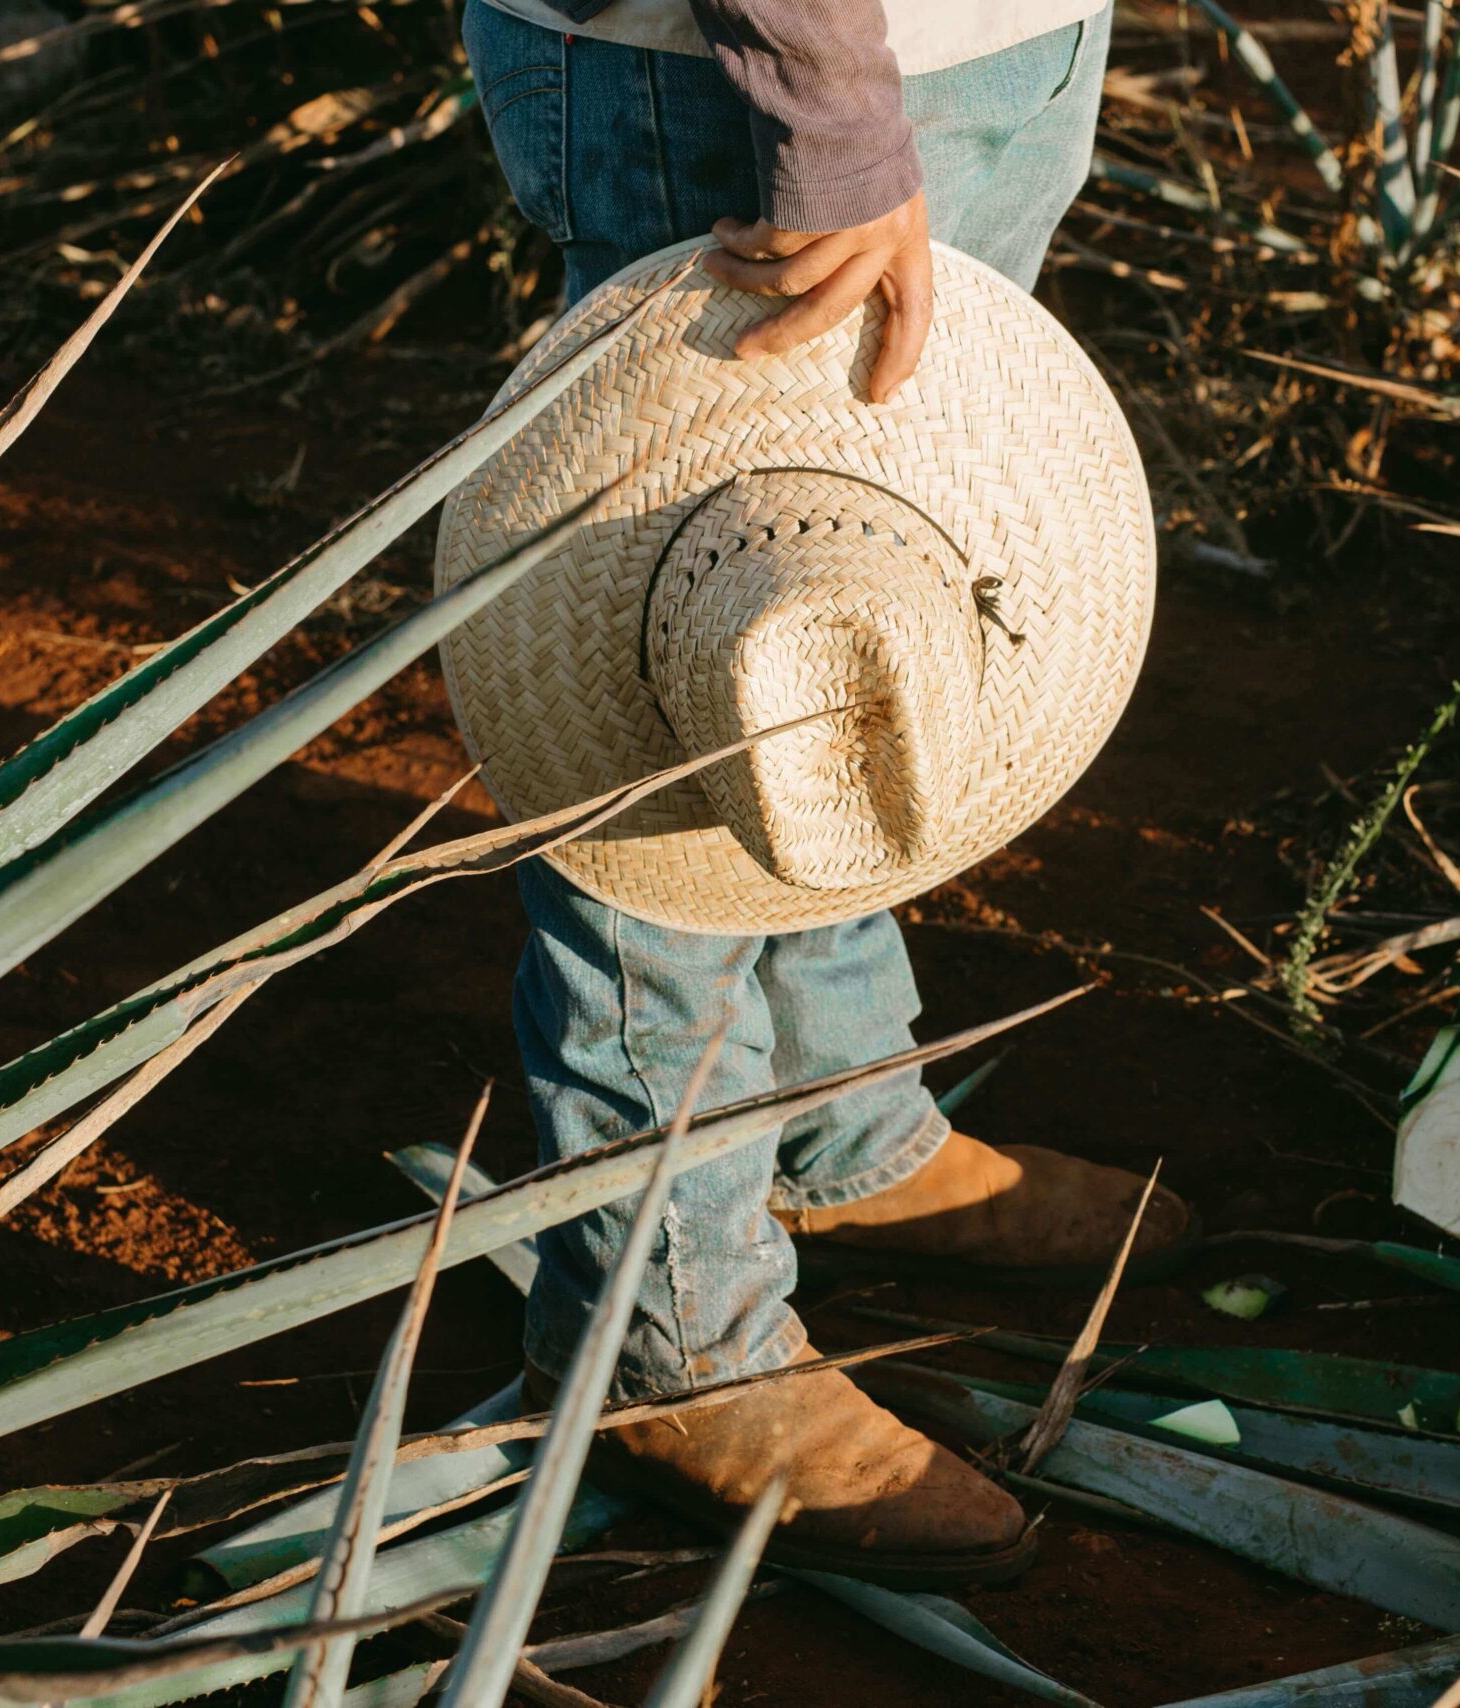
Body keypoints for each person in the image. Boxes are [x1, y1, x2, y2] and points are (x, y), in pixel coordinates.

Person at [458, 0, 1196, 1586]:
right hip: (747, 66)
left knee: (867, 576)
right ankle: (661, 1336)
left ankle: (834, 1114)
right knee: (696, 648)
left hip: (948, 49)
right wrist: (830, 110)